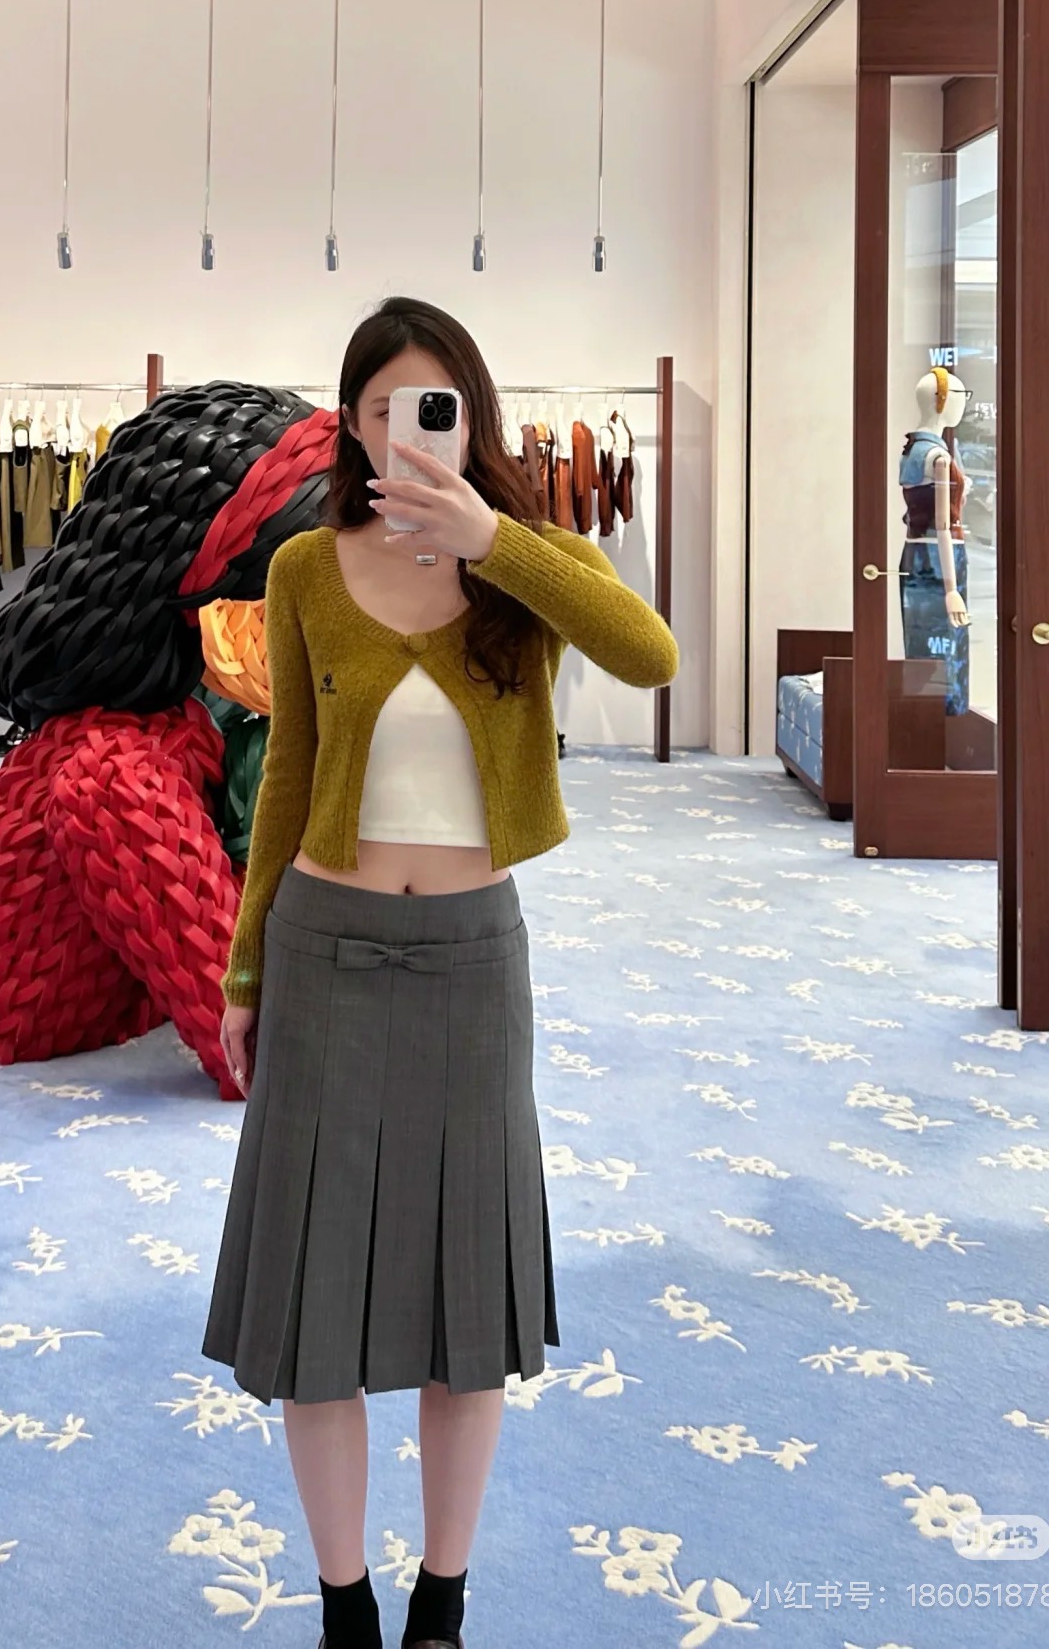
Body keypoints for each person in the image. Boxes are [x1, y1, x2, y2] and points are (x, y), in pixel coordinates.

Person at [201, 296, 680, 1649]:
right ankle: (343, 1603)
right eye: (383, 408)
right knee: (317, 1303)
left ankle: (442, 1603)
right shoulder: (308, 571)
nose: (410, 431)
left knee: (471, 1300)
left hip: (472, 963)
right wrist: (245, 971)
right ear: (352, 427)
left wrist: (494, 541)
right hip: (325, 951)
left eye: (437, 407)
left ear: (472, 416)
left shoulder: (528, 564)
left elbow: (651, 658)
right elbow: (286, 779)